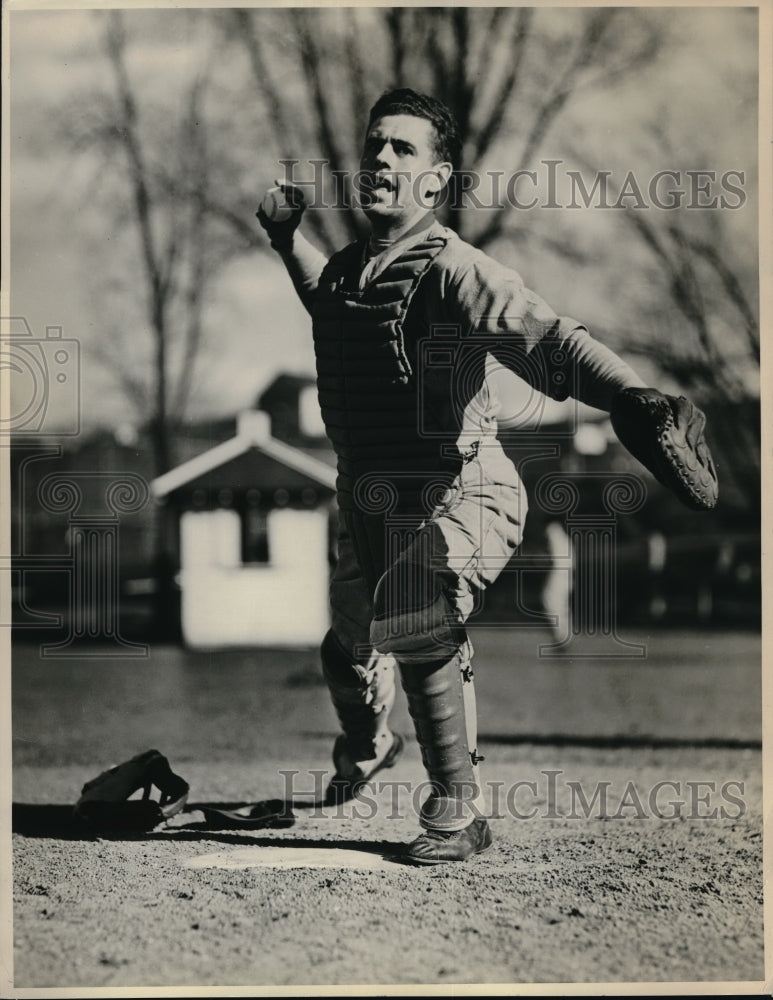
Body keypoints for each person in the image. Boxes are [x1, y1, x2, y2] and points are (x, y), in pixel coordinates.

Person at [256, 89, 693, 864]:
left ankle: (459, 806)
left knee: (415, 604)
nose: (381, 159)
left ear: (436, 179)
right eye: (375, 145)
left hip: (464, 487)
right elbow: (331, 305)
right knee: (344, 651)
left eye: (403, 149)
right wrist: (288, 239)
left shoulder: (456, 269)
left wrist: (629, 396)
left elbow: (547, 336)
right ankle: (366, 745)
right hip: (367, 502)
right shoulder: (353, 270)